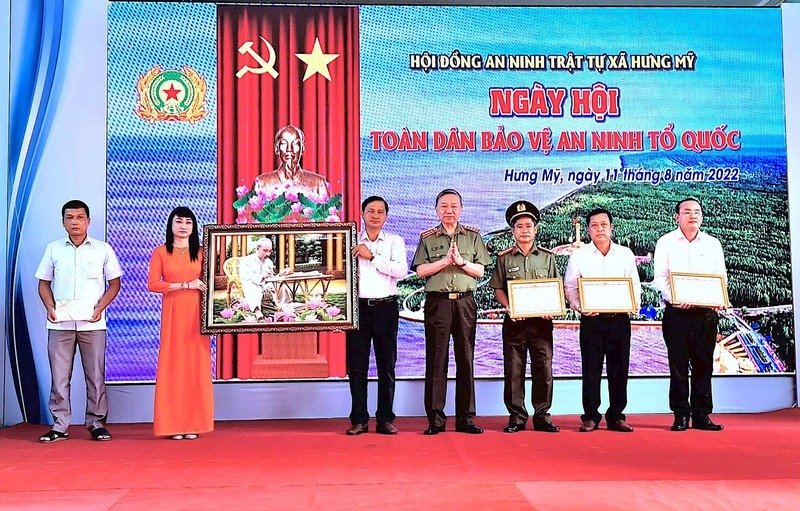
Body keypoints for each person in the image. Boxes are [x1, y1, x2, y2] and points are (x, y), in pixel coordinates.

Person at [35, 200, 122, 443]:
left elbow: (114, 284)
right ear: (63, 222)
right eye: (70, 217)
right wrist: (50, 307)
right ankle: (59, 425)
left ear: (88, 221)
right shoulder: (53, 249)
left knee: (95, 376)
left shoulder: (103, 249)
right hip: (59, 323)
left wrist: (100, 308)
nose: (75, 221)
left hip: (93, 324)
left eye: (80, 217)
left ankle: (96, 423)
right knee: (59, 376)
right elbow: (43, 283)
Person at [412, 189, 491, 435]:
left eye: (454, 206)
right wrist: (445, 262)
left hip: (465, 303)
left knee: (466, 359)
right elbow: (421, 271)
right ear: (436, 210)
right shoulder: (428, 237)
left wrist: (462, 262)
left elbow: (481, 271)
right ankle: (436, 420)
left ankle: (466, 419)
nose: (449, 211)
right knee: (437, 360)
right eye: (444, 206)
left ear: (461, 209)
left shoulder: (473, 236)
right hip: (438, 303)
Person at [564, 208, 641, 433]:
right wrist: (580, 308)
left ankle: (617, 416)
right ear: (588, 229)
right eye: (594, 225)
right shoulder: (579, 255)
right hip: (592, 321)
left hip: (619, 320)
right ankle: (590, 416)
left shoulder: (625, 254)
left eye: (604, 224)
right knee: (591, 369)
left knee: (620, 369)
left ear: (611, 227)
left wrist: (631, 305)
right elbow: (570, 286)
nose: (599, 228)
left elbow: (634, 285)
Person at [653, 198, 727, 432]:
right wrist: (675, 298)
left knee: (704, 365)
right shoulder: (665, 242)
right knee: (678, 366)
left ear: (702, 216)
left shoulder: (713, 243)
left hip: (706, 315)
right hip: (677, 314)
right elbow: (660, 278)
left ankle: (702, 415)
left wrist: (720, 299)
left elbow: (720, 277)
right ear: (677, 216)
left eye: (697, 212)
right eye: (686, 212)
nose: (692, 216)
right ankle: (681, 415)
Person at [489, 201, 560, 433]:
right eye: (519, 226)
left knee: (544, 369)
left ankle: (542, 416)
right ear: (513, 231)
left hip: (542, 323)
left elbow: (555, 287)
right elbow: (498, 287)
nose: (525, 230)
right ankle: (517, 417)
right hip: (515, 323)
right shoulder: (504, 258)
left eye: (529, 225)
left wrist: (553, 307)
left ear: (536, 229)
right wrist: (509, 306)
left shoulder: (547, 258)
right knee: (514, 370)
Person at [147, 207, 213, 440]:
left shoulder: (203, 252)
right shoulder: (161, 252)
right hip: (174, 314)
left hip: (198, 315)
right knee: (173, 366)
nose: (183, 226)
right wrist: (184, 285)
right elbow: (153, 284)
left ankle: (193, 423)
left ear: (194, 227)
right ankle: (173, 425)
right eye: (179, 222)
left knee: (196, 366)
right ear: (171, 225)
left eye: (188, 222)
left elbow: (213, 280)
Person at [346, 196, 409, 436]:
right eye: (370, 211)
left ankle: (385, 419)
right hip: (358, 310)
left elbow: (401, 271)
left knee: (386, 366)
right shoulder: (350, 240)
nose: (375, 215)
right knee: (358, 367)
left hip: (386, 308)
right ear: (362, 214)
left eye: (380, 212)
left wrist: (371, 256)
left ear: (386, 217)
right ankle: (359, 419)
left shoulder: (394, 241)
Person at [253, 125, 330, 198]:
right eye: (284, 143)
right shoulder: (261, 183)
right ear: (277, 148)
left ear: (302, 148)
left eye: (295, 143)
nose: (289, 149)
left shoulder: (318, 183)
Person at [238, 237, 290, 318]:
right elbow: (248, 277)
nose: (268, 254)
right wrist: (263, 276)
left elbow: (271, 278)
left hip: (265, 285)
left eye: (270, 251)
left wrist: (280, 275)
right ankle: (257, 311)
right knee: (252, 286)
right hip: (250, 284)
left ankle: (285, 307)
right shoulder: (246, 261)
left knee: (280, 284)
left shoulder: (269, 262)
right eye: (265, 251)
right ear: (257, 248)